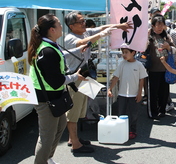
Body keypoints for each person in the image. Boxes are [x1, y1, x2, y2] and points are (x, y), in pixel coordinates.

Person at [64, 11, 132, 153]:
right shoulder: (70, 38)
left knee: (82, 109)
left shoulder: (85, 32)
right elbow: (83, 42)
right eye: (80, 22)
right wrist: (102, 35)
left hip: (85, 74)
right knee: (73, 111)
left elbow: (102, 27)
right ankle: (75, 144)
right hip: (75, 78)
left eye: (84, 21)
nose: (84, 24)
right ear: (71, 26)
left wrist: (120, 26)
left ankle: (73, 138)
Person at [28, 14, 87, 163]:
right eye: (59, 24)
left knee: (60, 126)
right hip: (46, 98)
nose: (62, 27)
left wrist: (78, 49)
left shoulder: (49, 46)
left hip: (53, 96)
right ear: (52, 30)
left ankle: (48, 158)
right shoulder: (47, 51)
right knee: (46, 137)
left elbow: (59, 58)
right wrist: (75, 77)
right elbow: (57, 82)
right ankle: (42, 161)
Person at [107, 44, 147, 140]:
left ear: (133, 53)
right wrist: (110, 88)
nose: (124, 55)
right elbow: (116, 77)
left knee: (133, 114)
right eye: (123, 52)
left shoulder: (139, 65)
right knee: (121, 113)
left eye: (126, 52)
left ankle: (132, 130)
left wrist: (139, 93)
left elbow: (142, 80)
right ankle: (122, 129)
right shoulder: (122, 64)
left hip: (134, 94)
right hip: (122, 94)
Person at [146, 14, 174, 119]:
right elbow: (143, 49)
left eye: (161, 25)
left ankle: (162, 110)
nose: (159, 28)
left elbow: (174, 49)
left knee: (164, 91)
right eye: (157, 25)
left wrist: (169, 47)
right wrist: (147, 37)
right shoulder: (149, 36)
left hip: (165, 69)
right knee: (153, 91)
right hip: (153, 68)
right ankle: (153, 112)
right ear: (152, 26)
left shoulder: (167, 36)